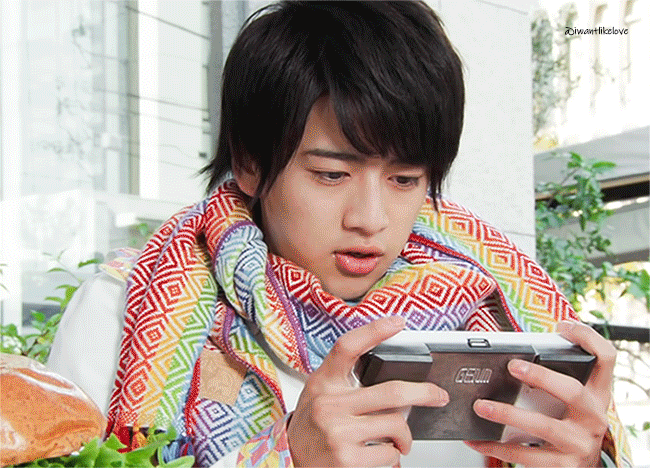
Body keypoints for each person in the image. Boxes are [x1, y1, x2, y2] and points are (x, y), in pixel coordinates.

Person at [47, 1, 632, 467]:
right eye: (331, 174)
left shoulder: (502, 314)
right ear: (249, 162)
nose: (370, 218)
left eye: (405, 180)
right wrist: (285, 458)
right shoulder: (126, 307)